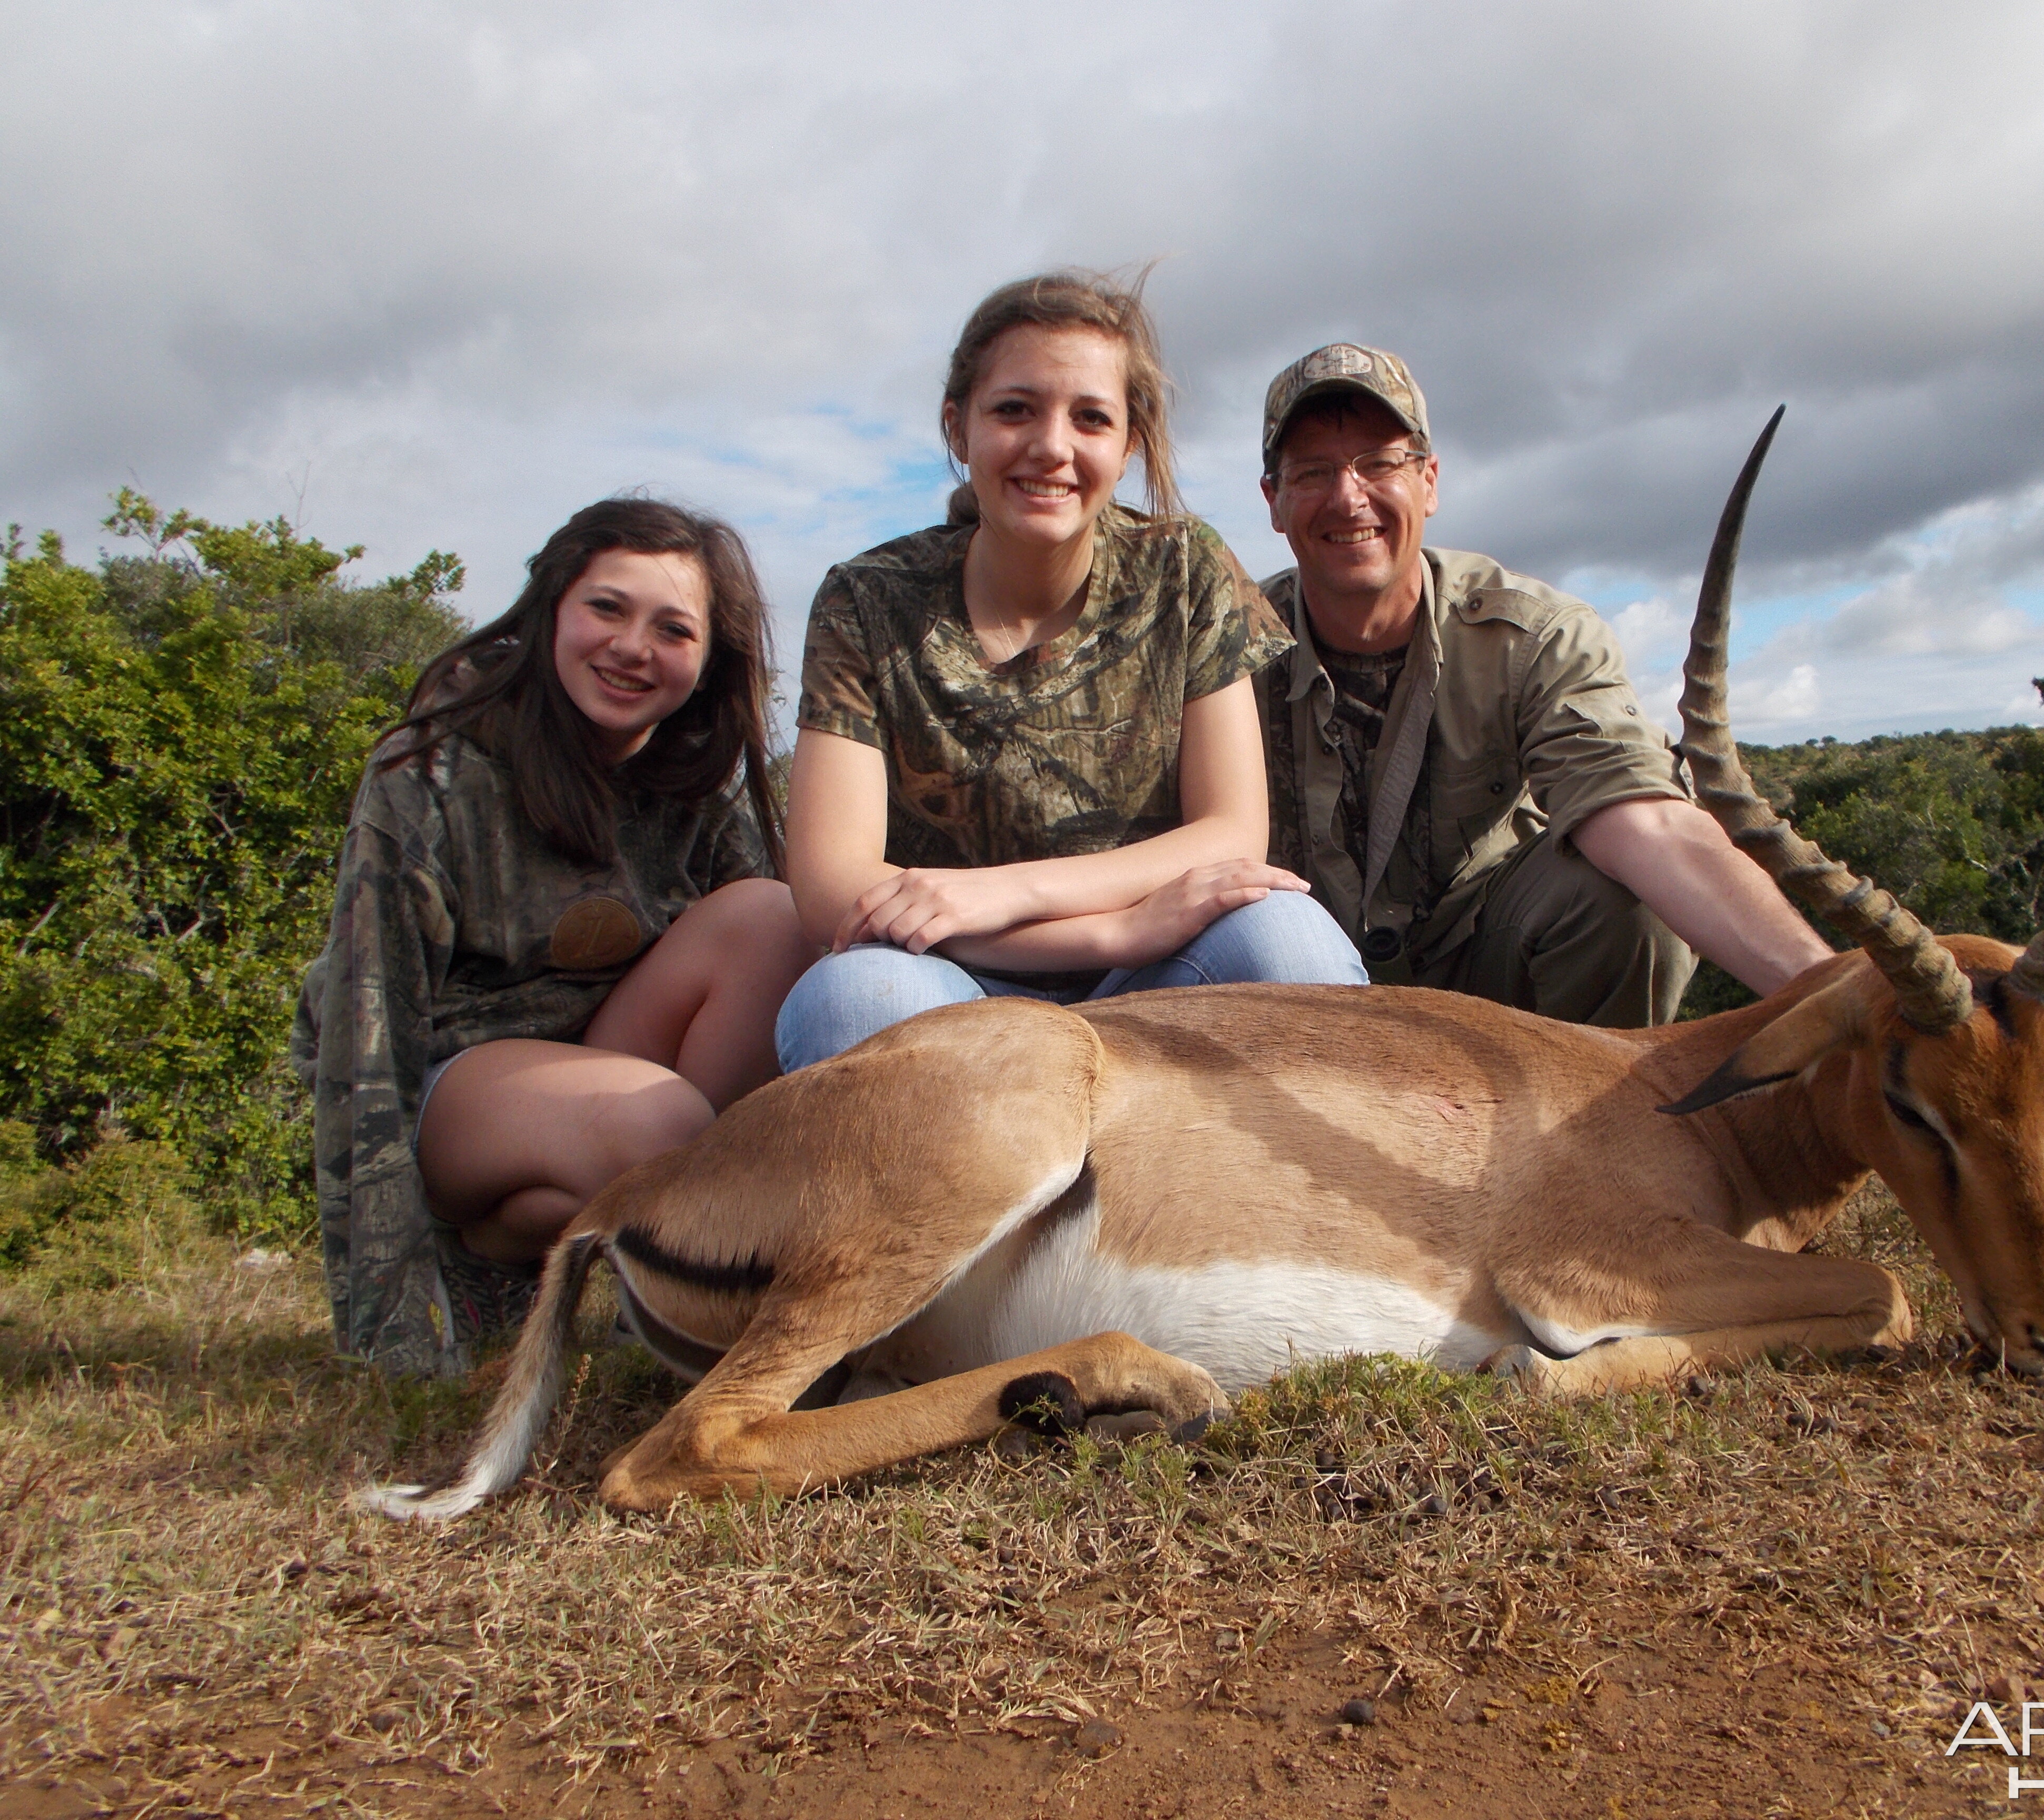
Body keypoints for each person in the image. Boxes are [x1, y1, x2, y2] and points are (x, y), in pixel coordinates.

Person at [775, 274, 1364, 1069]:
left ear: (1127, 444)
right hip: (952, 977)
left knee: (1289, 940)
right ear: (959, 427)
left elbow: (1230, 833)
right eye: (1015, 409)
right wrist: (1107, 929)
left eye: (1091, 418)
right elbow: (832, 889)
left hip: (1158, 969)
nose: (1052, 447)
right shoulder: (865, 600)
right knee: (855, 998)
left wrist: (1006, 891)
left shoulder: (1186, 569)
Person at [295, 499, 819, 1376]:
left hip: (600, 1077)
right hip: (454, 1085)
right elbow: (365, 1035)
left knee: (772, 916)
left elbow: (762, 1004)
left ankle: (534, 1263)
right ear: (550, 610)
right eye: (606, 608)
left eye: (672, 629)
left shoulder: (696, 788)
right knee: (662, 1123)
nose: (631, 648)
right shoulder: (426, 775)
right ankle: (643, 1281)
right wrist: (389, 1323)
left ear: (707, 661)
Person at [1252, 343, 1832, 1025]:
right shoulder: (1227, 655)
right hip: (1299, 994)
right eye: (1313, 472)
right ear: (1274, 500)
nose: (1349, 497)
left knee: (1632, 900)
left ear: (1430, 481)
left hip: (1495, 985)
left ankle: (1594, 1121)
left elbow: (1645, 819)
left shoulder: (1535, 636)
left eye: (1380, 463)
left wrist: (1828, 987)